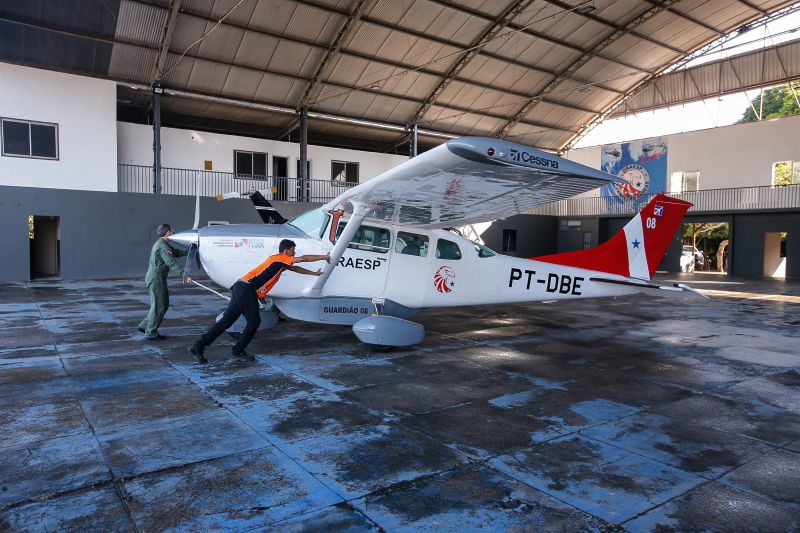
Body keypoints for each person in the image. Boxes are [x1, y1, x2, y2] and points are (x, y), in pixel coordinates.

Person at [188, 239, 329, 363]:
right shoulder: (279, 258)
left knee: (227, 321)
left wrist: (314, 273)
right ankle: (237, 351)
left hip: (241, 287)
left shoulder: (280, 262)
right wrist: (325, 256)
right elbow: (304, 259)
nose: (294, 253)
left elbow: (296, 268)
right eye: (293, 250)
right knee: (254, 321)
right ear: (286, 251)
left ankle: (198, 346)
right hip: (245, 289)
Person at [137, 223, 191, 340]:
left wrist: (190, 250)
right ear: (167, 232)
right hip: (156, 279)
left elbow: (175, 252)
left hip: (157, 278)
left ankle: (145, 325)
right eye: (171, 231)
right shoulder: (162, 245)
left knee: (162, 304)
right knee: (159, 306)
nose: (173, 232)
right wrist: (184, 274)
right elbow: (171, 262)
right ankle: (150, 332)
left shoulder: (163, 244)